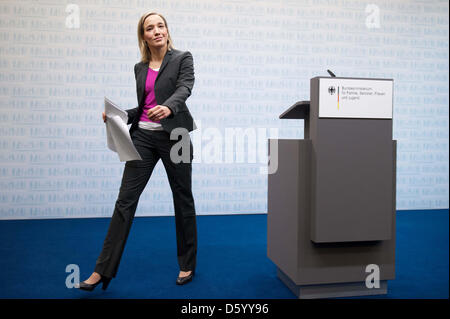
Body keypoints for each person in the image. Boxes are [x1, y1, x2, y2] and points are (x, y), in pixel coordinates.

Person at [77, 11, 197, 291]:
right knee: (125, 202)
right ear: (143, 36)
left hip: (175, 137)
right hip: (142, 137)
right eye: (150, 28)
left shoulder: (183, 58)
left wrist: (169, 106)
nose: (157, 31)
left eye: (161, 26)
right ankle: (101, 270)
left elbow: (185, 88)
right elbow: (143, 107)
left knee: (183, 199)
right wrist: (119, 116)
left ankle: (187, 262)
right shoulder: (139, 67)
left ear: (167, 30)